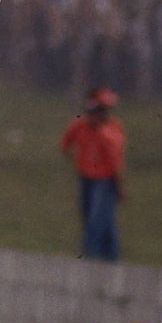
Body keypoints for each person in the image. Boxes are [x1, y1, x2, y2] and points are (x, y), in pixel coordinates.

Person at [59, 87, 126, 261]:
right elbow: (65, 144)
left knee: (97, 220)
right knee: (91, 216)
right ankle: (109, 257)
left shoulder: (111, 130)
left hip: (104, 181)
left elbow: (115, 163)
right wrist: (78, 160)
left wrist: (118, 187)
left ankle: (93, 256)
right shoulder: (79, 125)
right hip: (86, 178)